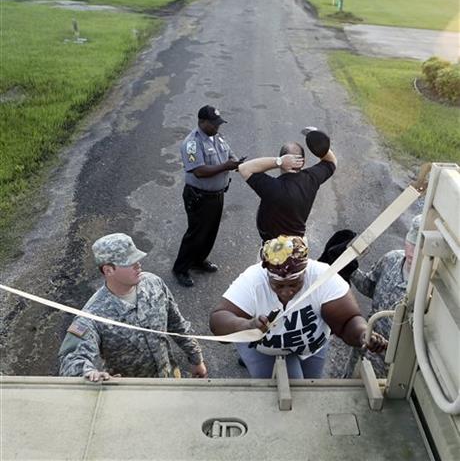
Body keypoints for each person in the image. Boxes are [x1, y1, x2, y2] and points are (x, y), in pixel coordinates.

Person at [209, 235, 387, 379]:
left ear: (305, 271)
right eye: (279, 285)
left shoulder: (323, 277)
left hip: (312, 347)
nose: (286, 292)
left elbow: (347, 321)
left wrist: (363, 334)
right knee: (288, 399)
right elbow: (219, 320)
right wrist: (246, 325)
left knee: (309, 387)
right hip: (267, 351)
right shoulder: (253, 280)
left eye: (294, 284)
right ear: (267, 273)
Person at [59, 233, 207, 381]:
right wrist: (89, 374)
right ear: (108, 270)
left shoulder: (154, 284)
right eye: (129, 262)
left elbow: (177, 324)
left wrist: (196, 358)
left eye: (136, 258)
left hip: (168, 379)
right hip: (130, 394)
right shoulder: (93, 315)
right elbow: (71, 358)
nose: (138, 264)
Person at [172, 105, 244, 287]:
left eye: (218, 123)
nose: (217, 127)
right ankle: (180, 269)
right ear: (202, 122)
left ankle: (199, 261)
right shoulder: (191, 144)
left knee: (210, 232)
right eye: (213, 124)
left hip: (217, 195)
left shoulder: (217, 137)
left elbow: (230, 156)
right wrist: (226, 166)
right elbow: (199, 171)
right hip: (199, 196)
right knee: (196, 233)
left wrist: (237, 164)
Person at [344, 214, 422, 378]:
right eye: (411, 243)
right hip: (366, 343)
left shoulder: (431, 285)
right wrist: (349, 267)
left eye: (420, 247)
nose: (413, 252)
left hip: (392, 366)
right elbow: (369, 287)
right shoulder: (392, 259)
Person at [238, 139, 337, 242]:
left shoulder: (273, 188)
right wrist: (318, 141)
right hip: (298, 243)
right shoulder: (312, 179)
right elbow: (331, 161)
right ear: (303, 162)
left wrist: (278, 161)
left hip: (273, 247)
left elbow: (244, 168)